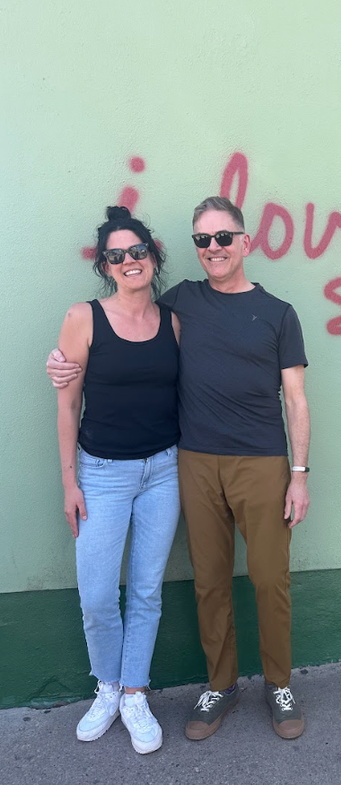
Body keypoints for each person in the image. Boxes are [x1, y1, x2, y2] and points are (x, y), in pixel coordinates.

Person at [50, 196, 311, 741]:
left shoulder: (260, 314)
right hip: (168, 464)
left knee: (260, 579)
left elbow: (296, 398)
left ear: (245, 241)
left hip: (232, 463)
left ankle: (270, 684)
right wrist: (60, 366)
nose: (213, 248)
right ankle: (193, 684)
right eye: (202, 240)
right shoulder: (173, 305)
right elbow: (87, 369)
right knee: (195, 583)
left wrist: (300, 472)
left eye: (222, 238)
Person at [56, 206, 181, 754]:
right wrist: (69, 482)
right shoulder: (83, 318)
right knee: (99, 594)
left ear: (153, 256)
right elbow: (67, 406)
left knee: (148, 590)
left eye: (138, 251)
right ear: (105, 266)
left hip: (164, 470)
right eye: (117, 255)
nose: (130, 261)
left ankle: (134, 691)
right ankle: (106, 684)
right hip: (102, 474)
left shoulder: (173, 320)